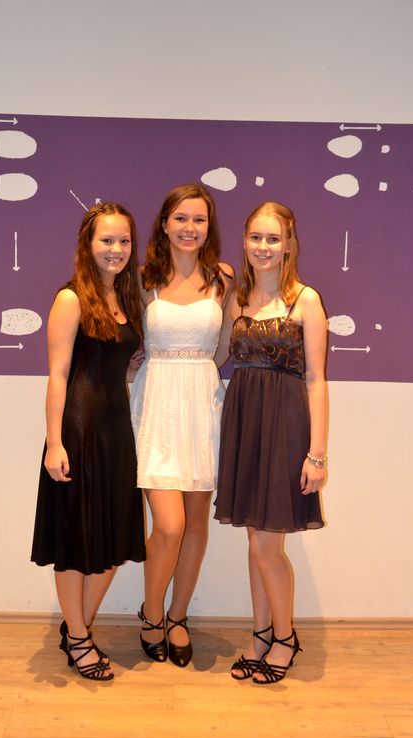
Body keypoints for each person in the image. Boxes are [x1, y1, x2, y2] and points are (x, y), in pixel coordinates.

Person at [31, 202, 146, 681]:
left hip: (116, 432)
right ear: (87, 243)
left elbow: (114, 361)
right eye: (107, 240)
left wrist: (131, 365)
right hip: (78, 431)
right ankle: (79, 638)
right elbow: (58, 374)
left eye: (124, 241)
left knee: (111, 541)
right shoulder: (71, 298)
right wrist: (54, 442)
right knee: (75, 540)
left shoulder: (123, 296)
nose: (116, 249)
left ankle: (75, 627)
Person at [214, 201, 327, 685]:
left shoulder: (305, 300)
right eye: (256, 237)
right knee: (254, 538)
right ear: (244, 240)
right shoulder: (236, 299)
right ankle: (261, 635)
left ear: (288, 244)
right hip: (244, 424)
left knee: (266, 546)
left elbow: (316, 379)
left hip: (285, 425)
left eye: (273, 238)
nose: (264, 247)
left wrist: (316, 454)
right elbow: (215, 355)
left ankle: (285, 638)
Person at [129, 183, 235, 667]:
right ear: (164, 224)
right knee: (168, 526)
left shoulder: (224, 278)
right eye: (181, 218)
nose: (190, 228)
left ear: (209, 226)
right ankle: (150, 614)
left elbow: (224, 348)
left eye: (199, 219)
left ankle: (177, 617)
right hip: (156, 405)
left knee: (195, 525)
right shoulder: (142, 279)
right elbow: (126, 340)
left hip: (201, 403)